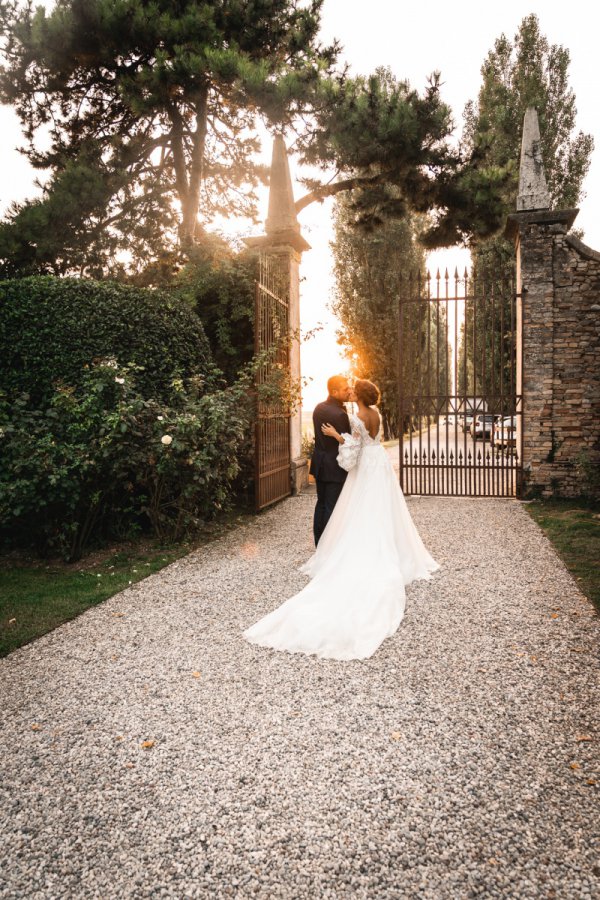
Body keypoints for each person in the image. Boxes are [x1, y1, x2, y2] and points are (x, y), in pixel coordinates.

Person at [243, 378, 439, 661]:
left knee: (360, 506)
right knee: (382, 506)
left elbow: (354, 448)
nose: (350, 391)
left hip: (366, 464)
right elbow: (373, 442)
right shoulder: (377, 414)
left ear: (358, 395)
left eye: (352, 389)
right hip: (380, 462)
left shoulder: (357, 416)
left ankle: (358, 546)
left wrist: (338, 437)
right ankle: (389, 545)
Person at [309, 375, 351, 545]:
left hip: (319, 463)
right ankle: (328, 546)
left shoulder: (318, 408)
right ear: (334, 392)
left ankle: (319, 542)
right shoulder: (340, 414)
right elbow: (347, 443)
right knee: (331, 506)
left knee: (321, 503)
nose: (348, 391)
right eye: (345, 389)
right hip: (334, 465)